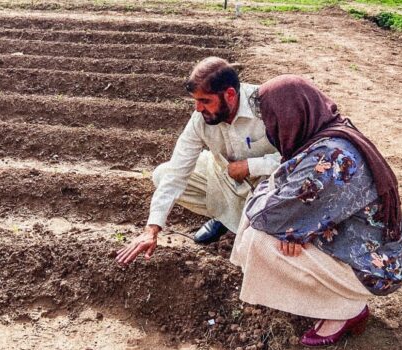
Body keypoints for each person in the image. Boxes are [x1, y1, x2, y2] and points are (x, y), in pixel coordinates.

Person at [231, 75, 402, 346]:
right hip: (370, 249)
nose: (270, 128)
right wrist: (291, 221)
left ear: (291, 115)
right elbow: (279, 193)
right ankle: (336, 300)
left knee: (260, 240)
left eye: (272, 119)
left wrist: (288, 223)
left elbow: (263, 216)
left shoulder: (330, 158)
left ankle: (345, 310)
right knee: (272, 229)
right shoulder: (330, 134)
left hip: (376, 270)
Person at [116, 57, 279, 264]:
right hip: (224, 174)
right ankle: (226, 218)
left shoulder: (265, 105)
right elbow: (177, 172)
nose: (198, 108)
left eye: (205, 101)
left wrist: (252, 165)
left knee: (265, 240)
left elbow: (302, 158)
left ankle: (240, 222)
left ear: (229, 94)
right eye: (195, 100)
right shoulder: (200, 119)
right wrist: (152, 228)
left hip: (269, 183)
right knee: (163, 175)